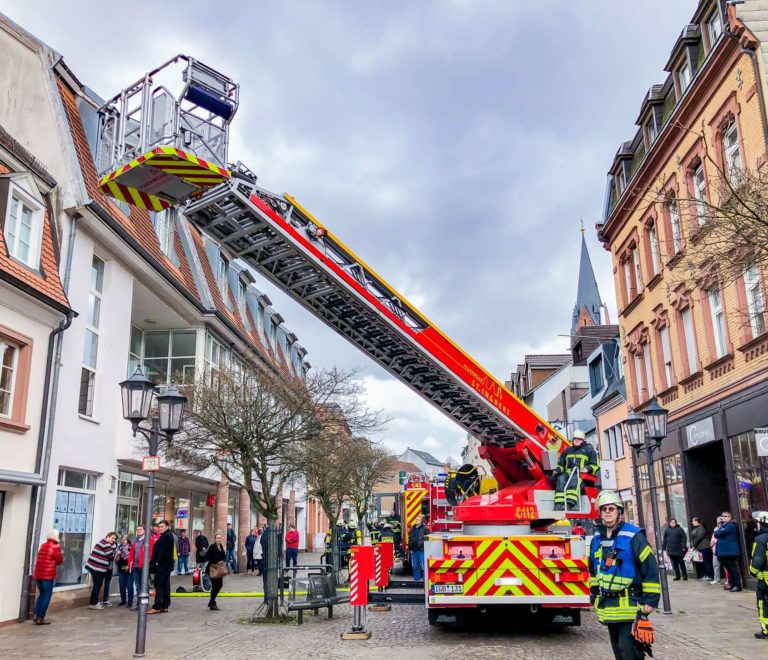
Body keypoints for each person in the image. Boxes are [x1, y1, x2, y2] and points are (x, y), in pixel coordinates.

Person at [588, 491, 660, 660]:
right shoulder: (596, 540)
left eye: (611, 509)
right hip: (609, 608)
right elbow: (593, 569)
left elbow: (649, 568)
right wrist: (595, 593)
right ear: (600, 513)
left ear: (619, 512)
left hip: (630, 606)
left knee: (630, 654)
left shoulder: (634, 536)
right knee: (619, 652)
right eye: (604, 509)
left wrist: (650, 600)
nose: (607, 512)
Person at [553, 429, 599, 511]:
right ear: (572, 440)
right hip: (569, 472)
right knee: (560, 479)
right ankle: (558, 504)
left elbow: (595, 465)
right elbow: (561, 464)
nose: (577, 441)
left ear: (583, 440)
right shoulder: (567, 451)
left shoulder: (589, 451)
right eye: (575, 439)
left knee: (574, 480)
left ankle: (569, 504)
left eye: (579, 439)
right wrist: (557, 470)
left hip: (582, 473)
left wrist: (587, 468)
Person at [32, 529, 64, 625]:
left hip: (38, 575)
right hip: (48, 576)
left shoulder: (43, 545)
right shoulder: (55, 547)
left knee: (41, 594)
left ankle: (36, 615)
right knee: (46, 596)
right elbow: (59, 560)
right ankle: (40, 618)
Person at [85, 532, 118, 610]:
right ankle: (93, 603)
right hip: (98, 568)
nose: (113, 540)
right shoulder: (106, 545)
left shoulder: (101, 542)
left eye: (115, 539)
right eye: (112, 538)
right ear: (108, 536)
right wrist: (114, 550)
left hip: (92, 567)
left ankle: (92, 602)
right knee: (97, 586)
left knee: (96, 586)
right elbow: (111, 557)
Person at [748, 511, 768, 640]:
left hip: (765, 579)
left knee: (763, 603)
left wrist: (753, 571)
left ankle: (766, 630)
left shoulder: (761, 539)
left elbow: (757, 560)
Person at [148, 520, 175, 614]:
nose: (160, 528)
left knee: (159, 585)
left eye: (162, 526)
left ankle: (157, 606)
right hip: (166, 565)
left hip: (162, 566)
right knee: (165, 585)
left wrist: (157, 563)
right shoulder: (166, 535)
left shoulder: (166, 536)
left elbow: (162, 551)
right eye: (159, 527)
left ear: (167, 526)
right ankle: (165, 606)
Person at [714, 511, 742, 592]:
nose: (724, 517)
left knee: (733, 569)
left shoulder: (731, 526)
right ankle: (732, 584)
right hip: (724, 552)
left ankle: (737, 585)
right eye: (723, 516)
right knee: (729, 570)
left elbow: (718, 533)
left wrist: (719, 530)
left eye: (726, 516)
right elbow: (716, 533)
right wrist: (719, 530)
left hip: (730, 552)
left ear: (729, 517)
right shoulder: (724, 525)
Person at [127, 524, 152, 611]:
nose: (138, 531)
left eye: (140, 529)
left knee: (144, 585)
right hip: (135, 566)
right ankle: (139, 603)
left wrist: (148, 563)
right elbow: (132, 554)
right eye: (137, 530)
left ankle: (144, 603)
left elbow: (151, 553)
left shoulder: (148, 540)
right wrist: (130, 563)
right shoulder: (135, 541)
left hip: (144, 566)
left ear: (144, 530)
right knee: (138, 586)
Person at [206, 532, 227, 611]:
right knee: (215, 586)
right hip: (213, 569)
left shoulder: (221, 546)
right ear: (215, 539)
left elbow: (224, 555)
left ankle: (211, 602)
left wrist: (223, 560)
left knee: (220, 585)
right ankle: (212, 603)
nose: (219, 539)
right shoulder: (212, 547)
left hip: (219, 569)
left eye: (220, 538)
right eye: (217, 538)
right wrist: (216, 561)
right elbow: (207, 557)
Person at [115, 535, 134, 607]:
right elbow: (116, 561)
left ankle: (130, 602)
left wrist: (128, 566)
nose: (123, 541)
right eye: (122, 539)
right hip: (121, 569)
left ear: (128, 540)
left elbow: (133, 559)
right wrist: (118, 555)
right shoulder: (119, 548)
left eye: (125, 539)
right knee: (122, 586)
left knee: (129, 586)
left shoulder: (131, 548)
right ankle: (123, 600)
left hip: (129, 569)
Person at [409, 516, 428, 582]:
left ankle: (424, 579)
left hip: (421, 550)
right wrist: (410, 546)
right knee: (415, 566)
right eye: (416, 519)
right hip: (414, 550)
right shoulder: (413, 528)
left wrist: (423, 544)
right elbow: (410, 538)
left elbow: (427, 537)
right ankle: (416, 579)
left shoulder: (424, 528)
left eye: (418, 519)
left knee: (423, 565)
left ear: (421, 521)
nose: (417, 520)